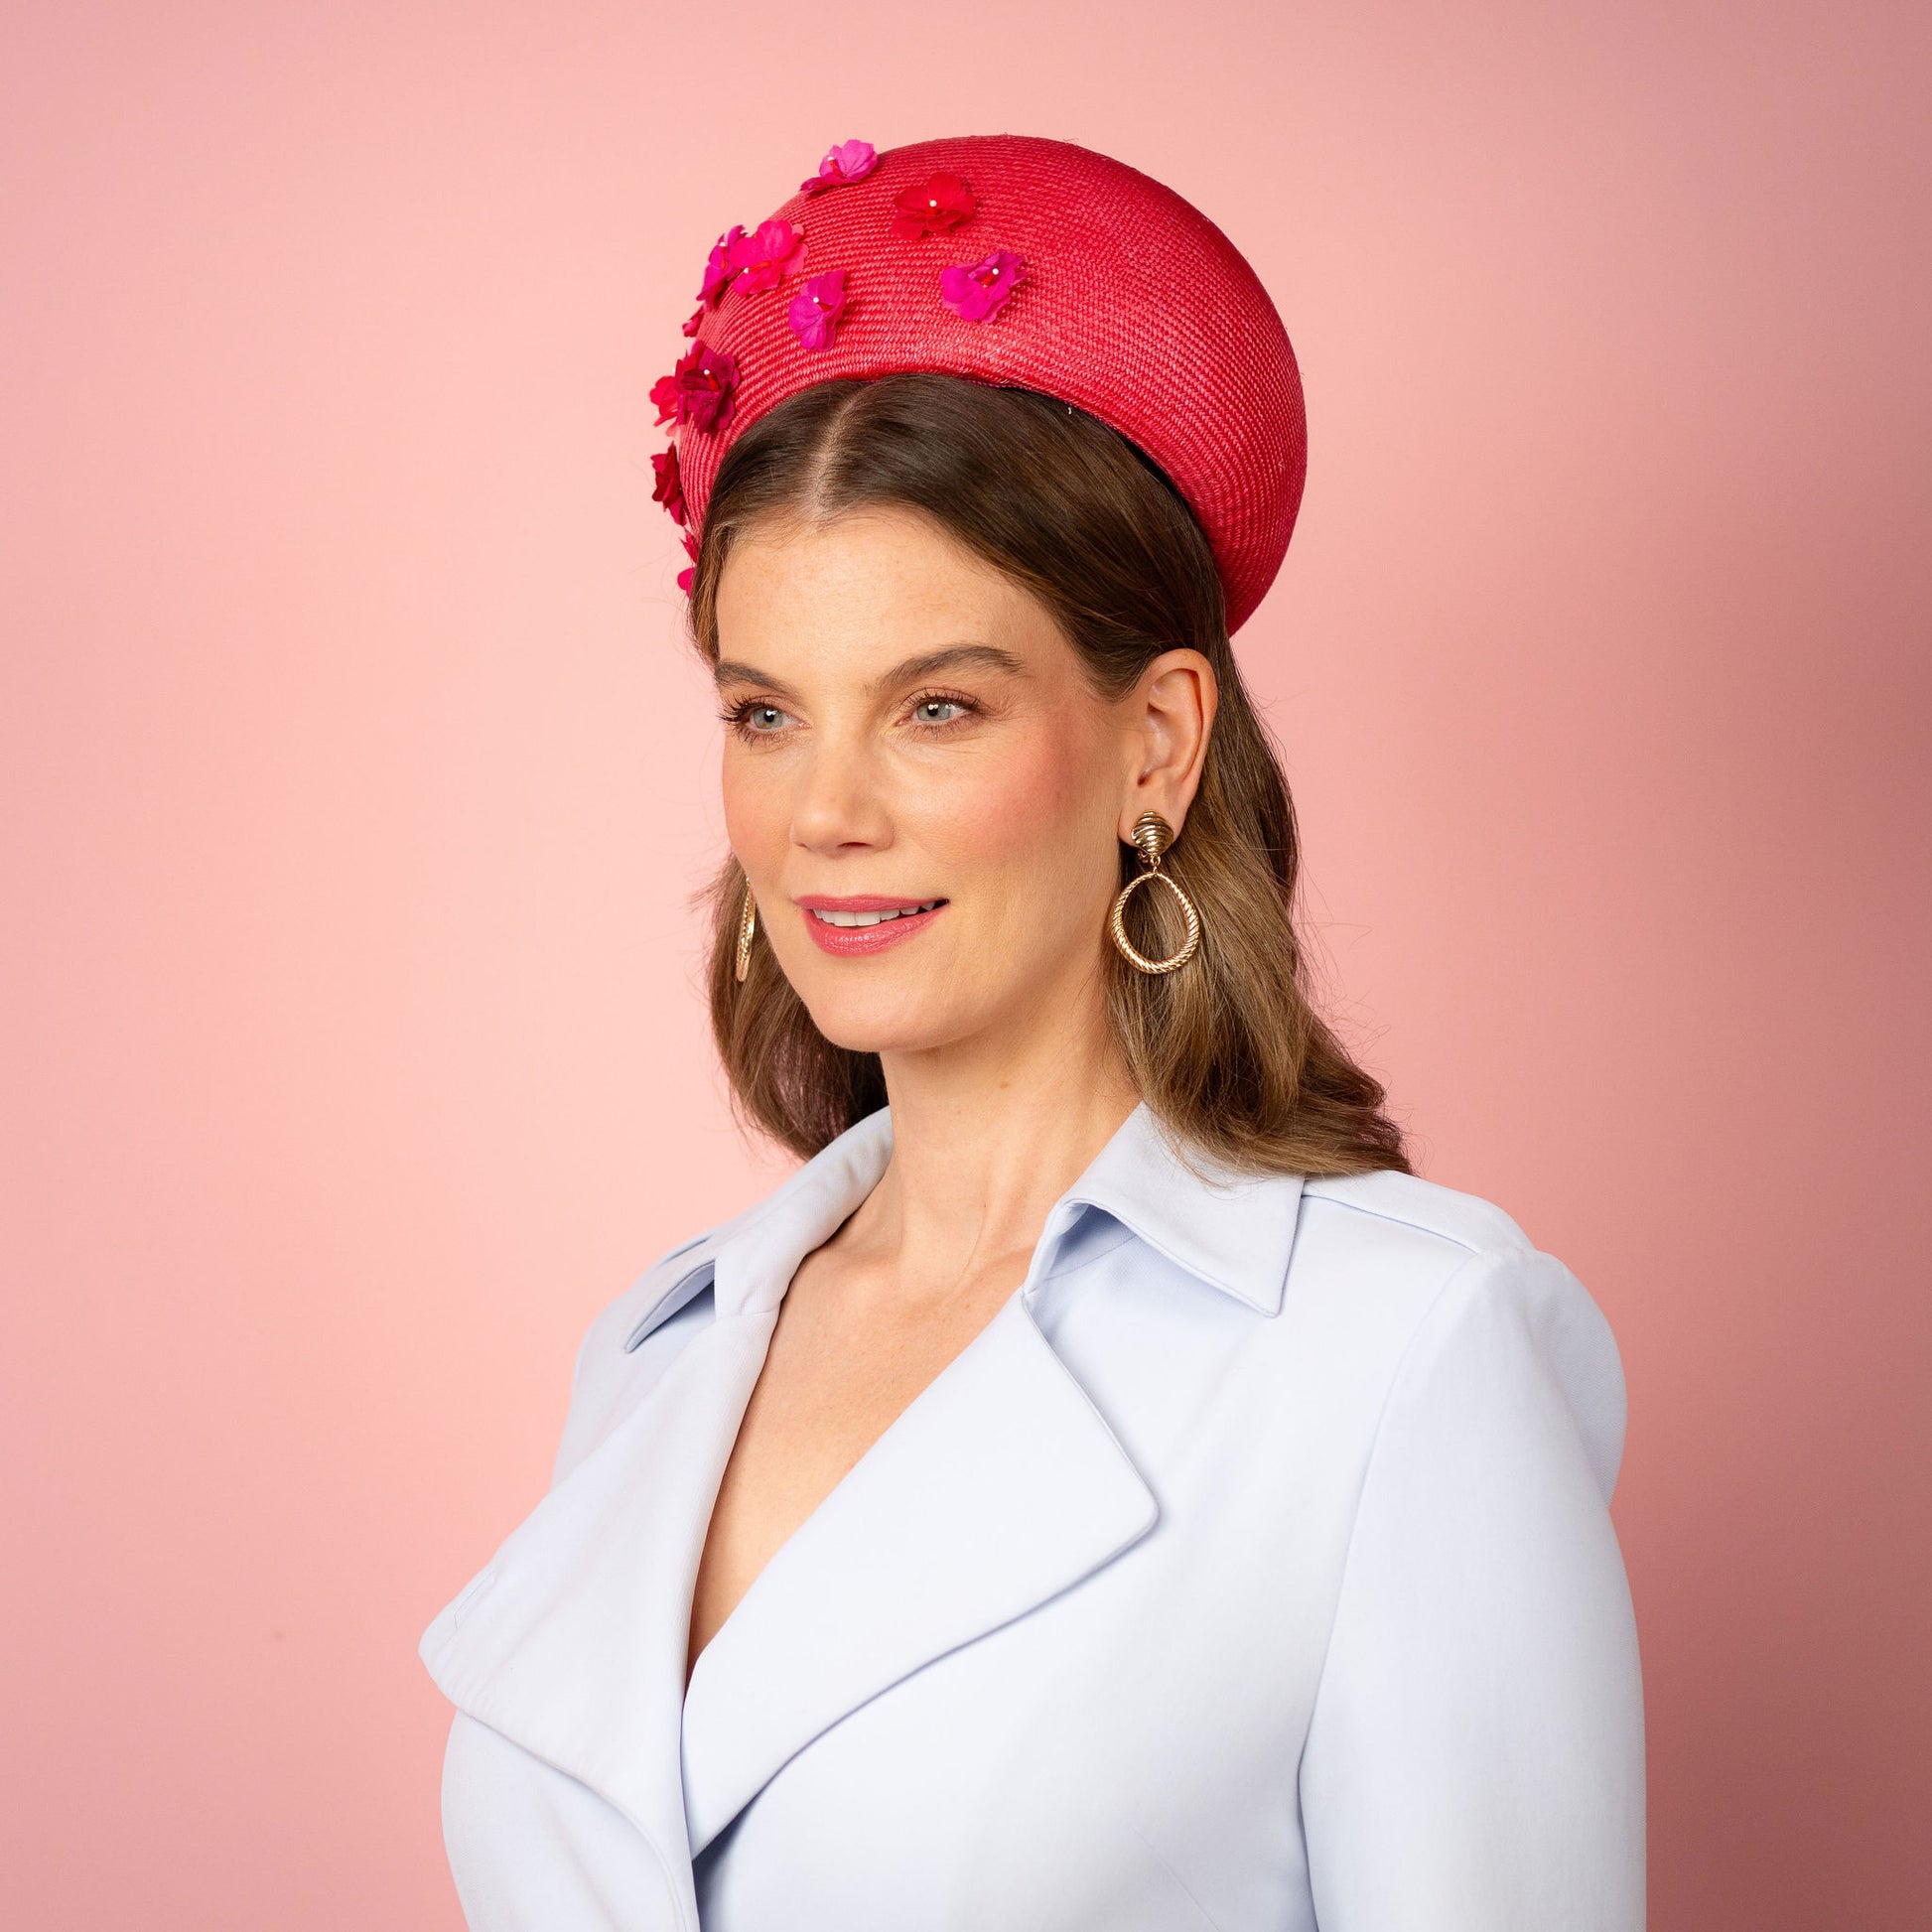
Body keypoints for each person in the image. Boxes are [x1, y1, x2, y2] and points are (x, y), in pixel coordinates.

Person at [420, 135, 1645, 1932]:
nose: (824, 814)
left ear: (1156, 742)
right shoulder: (657, 1349)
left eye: (935, 707)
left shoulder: (1403, 1356)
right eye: (765, 714)